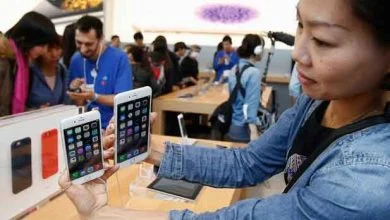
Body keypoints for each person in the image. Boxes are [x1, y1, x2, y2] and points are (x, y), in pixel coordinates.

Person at [60, 0, 390, 219]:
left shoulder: (364, 182)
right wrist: (143, 146)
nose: (298, 52)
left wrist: (102, 212)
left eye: (323, 40)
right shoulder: (320, 100)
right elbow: (247, 162)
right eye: (300, 25)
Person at [68, 15, 132, 129]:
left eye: (88, 44)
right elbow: (76, 104)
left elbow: (123, 100)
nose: (83, 49)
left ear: (101, 38)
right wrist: (74, 90)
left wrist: (94, 96)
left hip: (112, 127)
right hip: (84, 127)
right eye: (79, 42)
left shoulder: (119, 58)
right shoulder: (76, 59)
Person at [0, 11, 58, 117]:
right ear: (29, 39)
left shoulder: (23, 64)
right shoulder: (4, 60)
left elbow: (15, 107)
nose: (44, 51)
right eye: (42, 45)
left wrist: (36, 111)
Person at [226, 34, 264, 143]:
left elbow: (235, 97)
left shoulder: (234, 69)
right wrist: (254, 132)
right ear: (257, 50)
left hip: (233, 127)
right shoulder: (254, 73)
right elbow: (250, 105)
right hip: (246, 131)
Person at [28, 36, 69, 109]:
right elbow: (18, 107)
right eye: (49, 50)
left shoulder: (62, 70)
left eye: (57, 49)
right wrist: (36, 110)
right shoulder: (30, 72)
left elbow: (65, 102)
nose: (54, 54)